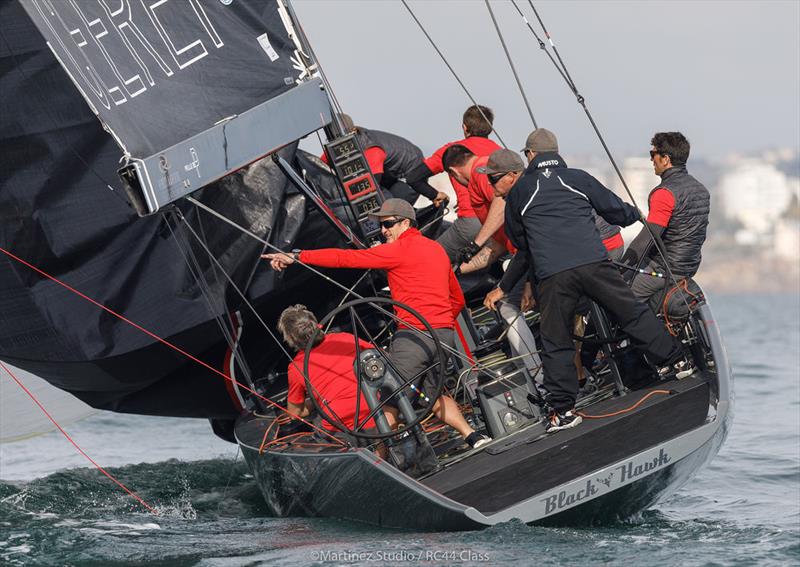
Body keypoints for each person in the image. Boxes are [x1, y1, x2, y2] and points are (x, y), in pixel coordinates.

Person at [492, 131, 691, 433]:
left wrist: (511, 283)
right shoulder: (577, 178)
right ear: (556, 152)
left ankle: (562, 411)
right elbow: (615, 210)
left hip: (553, 275)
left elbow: (521, 243)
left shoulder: (520, 192)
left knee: (556, 341)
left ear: (530, 155)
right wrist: (632, 214)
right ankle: (678, 362)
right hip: (594, 264)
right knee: (632, 312)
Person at [264, 199, 490, 449]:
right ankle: (473, 436)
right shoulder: (437, 249)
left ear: (406, 223)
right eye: (382, 225)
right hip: (443, 336)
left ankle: (387, 460)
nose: (383, 230)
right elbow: (456, 298)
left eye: (388, 224)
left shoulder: (398, 249)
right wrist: (441, 323)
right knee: (431, 394)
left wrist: (297, 256)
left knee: (388, 398)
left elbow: (344, 259)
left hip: (414, 336)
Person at [440, 144, 540, 374]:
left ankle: (535, 371)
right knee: (507, 308)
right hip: (521, 256)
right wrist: (458, 270)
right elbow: (494, 248)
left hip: (528, 255)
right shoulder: (483, 170)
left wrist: (476, 241)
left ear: (453, 173)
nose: (493, 186)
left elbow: (502, 203)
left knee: (507, 307)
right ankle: (527, 374)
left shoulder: (480, 173)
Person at [621, 132, 710, 310]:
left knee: (618, 299)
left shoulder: (664, 193)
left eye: (653, 154)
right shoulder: (701, 190)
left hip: (664, 269)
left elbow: (648, 238)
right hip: (688, 267)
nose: (651, 160)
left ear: (665, 159)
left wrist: (621, 268)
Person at [278, 304, 392, 442]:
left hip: (340, 429)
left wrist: (315, 402)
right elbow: (383, 356)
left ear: (290, 338)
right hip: (375, 412)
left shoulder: (296, 367)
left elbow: (294, 413)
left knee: (303, 441)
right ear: (315, 324)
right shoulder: (344, 338)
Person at [404, 105, 502, 262]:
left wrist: (435, 195)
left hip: (471, 223)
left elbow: (413, 178)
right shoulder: (501, 152)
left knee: (427, 259)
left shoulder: (453, 151)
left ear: (464, 127)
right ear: (490, 128)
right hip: (498, 225)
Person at [321, 114, 442, 206]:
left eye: (343, 140)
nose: (339, 145)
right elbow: (319, 165)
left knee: (388, 207)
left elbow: (372, 187)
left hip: (409, 174)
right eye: (335, 142)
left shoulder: (371, 149)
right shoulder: (337, 145)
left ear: (353, 132)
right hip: (388, 173)